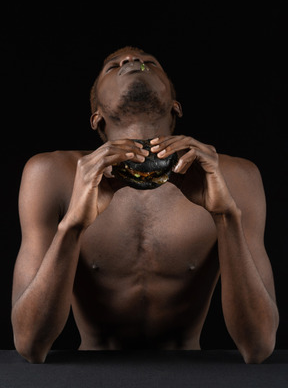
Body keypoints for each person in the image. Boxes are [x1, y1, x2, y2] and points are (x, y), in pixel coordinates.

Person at [11, 46, 279, 364]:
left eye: (149, 63)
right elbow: (30, 344)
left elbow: (258, 346)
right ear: (97, 117)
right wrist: (72, 226)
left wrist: (225, 216)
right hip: (92, 375)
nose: (132, 62)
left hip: (192, 375)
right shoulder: (50, 173)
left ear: (175, 107)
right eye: (113, 65)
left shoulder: (236, 176)